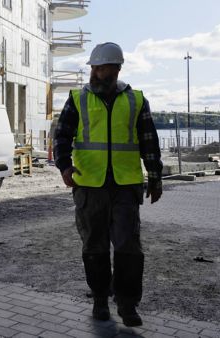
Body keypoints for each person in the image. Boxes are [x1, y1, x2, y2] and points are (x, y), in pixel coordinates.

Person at [53, 42, 163, 327]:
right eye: (94, 68)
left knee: (128, 246)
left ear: (116, 69)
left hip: (126, 186)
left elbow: (149, 140)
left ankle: (127, 305)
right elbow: (61, 135)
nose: (96, 73)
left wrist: (155, 176)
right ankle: (100, 299)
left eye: (101, 68)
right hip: (89, 185)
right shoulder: (77, 98)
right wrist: (64, 166)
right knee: (94, 247)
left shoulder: (136, 100)